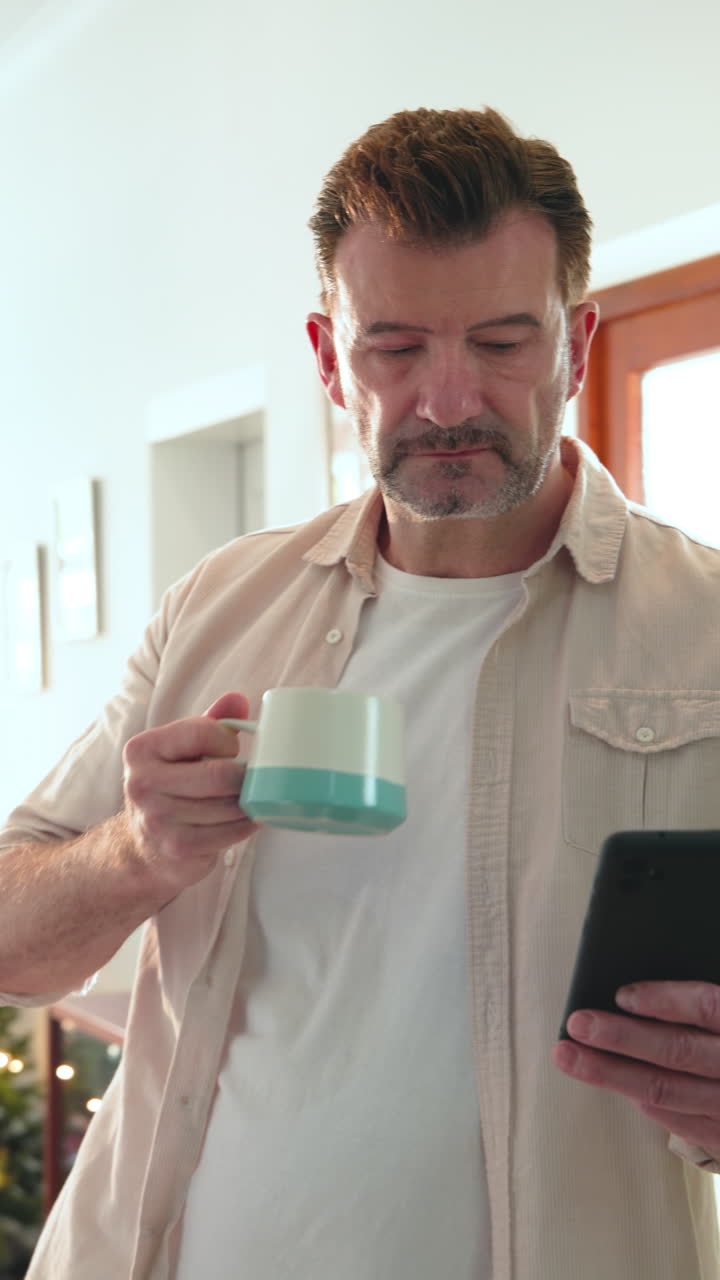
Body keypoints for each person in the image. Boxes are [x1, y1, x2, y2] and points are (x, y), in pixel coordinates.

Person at [2, 106, 720, 1280]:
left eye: (503, 342)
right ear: (330, 358)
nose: (448, 400)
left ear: (578, 344)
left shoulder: (708, 629)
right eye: (395, 348)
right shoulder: (218, 605)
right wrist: (138, 850)